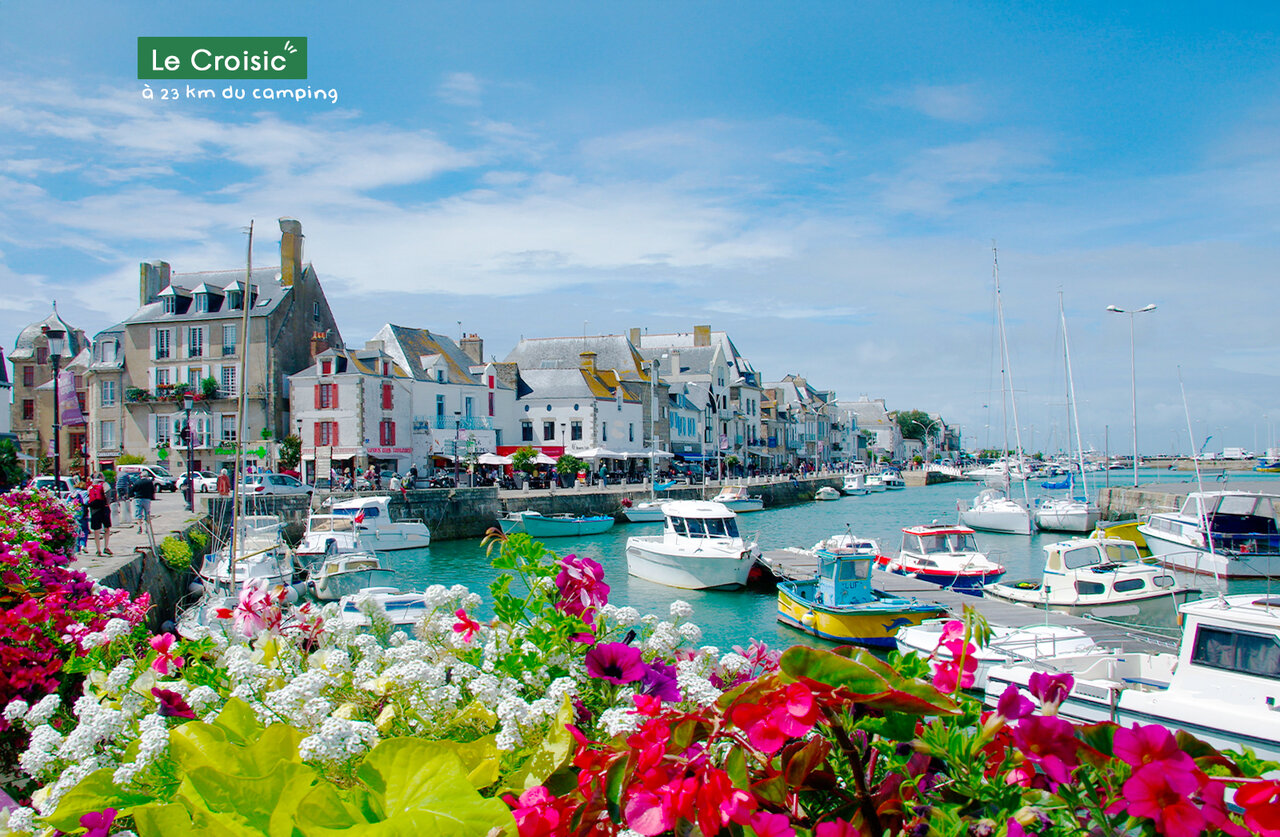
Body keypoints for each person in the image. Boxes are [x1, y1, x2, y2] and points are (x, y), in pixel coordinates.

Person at [86, 473, 113, 556]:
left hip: (94, 510)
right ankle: (106, 547)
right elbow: (108, 496)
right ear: (101, 477)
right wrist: (107, 504)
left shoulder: (90, 486)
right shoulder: (105, 485)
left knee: (96, 530)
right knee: (106, 528)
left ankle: (98, 549)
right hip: (104, 508)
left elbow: (88, 497)